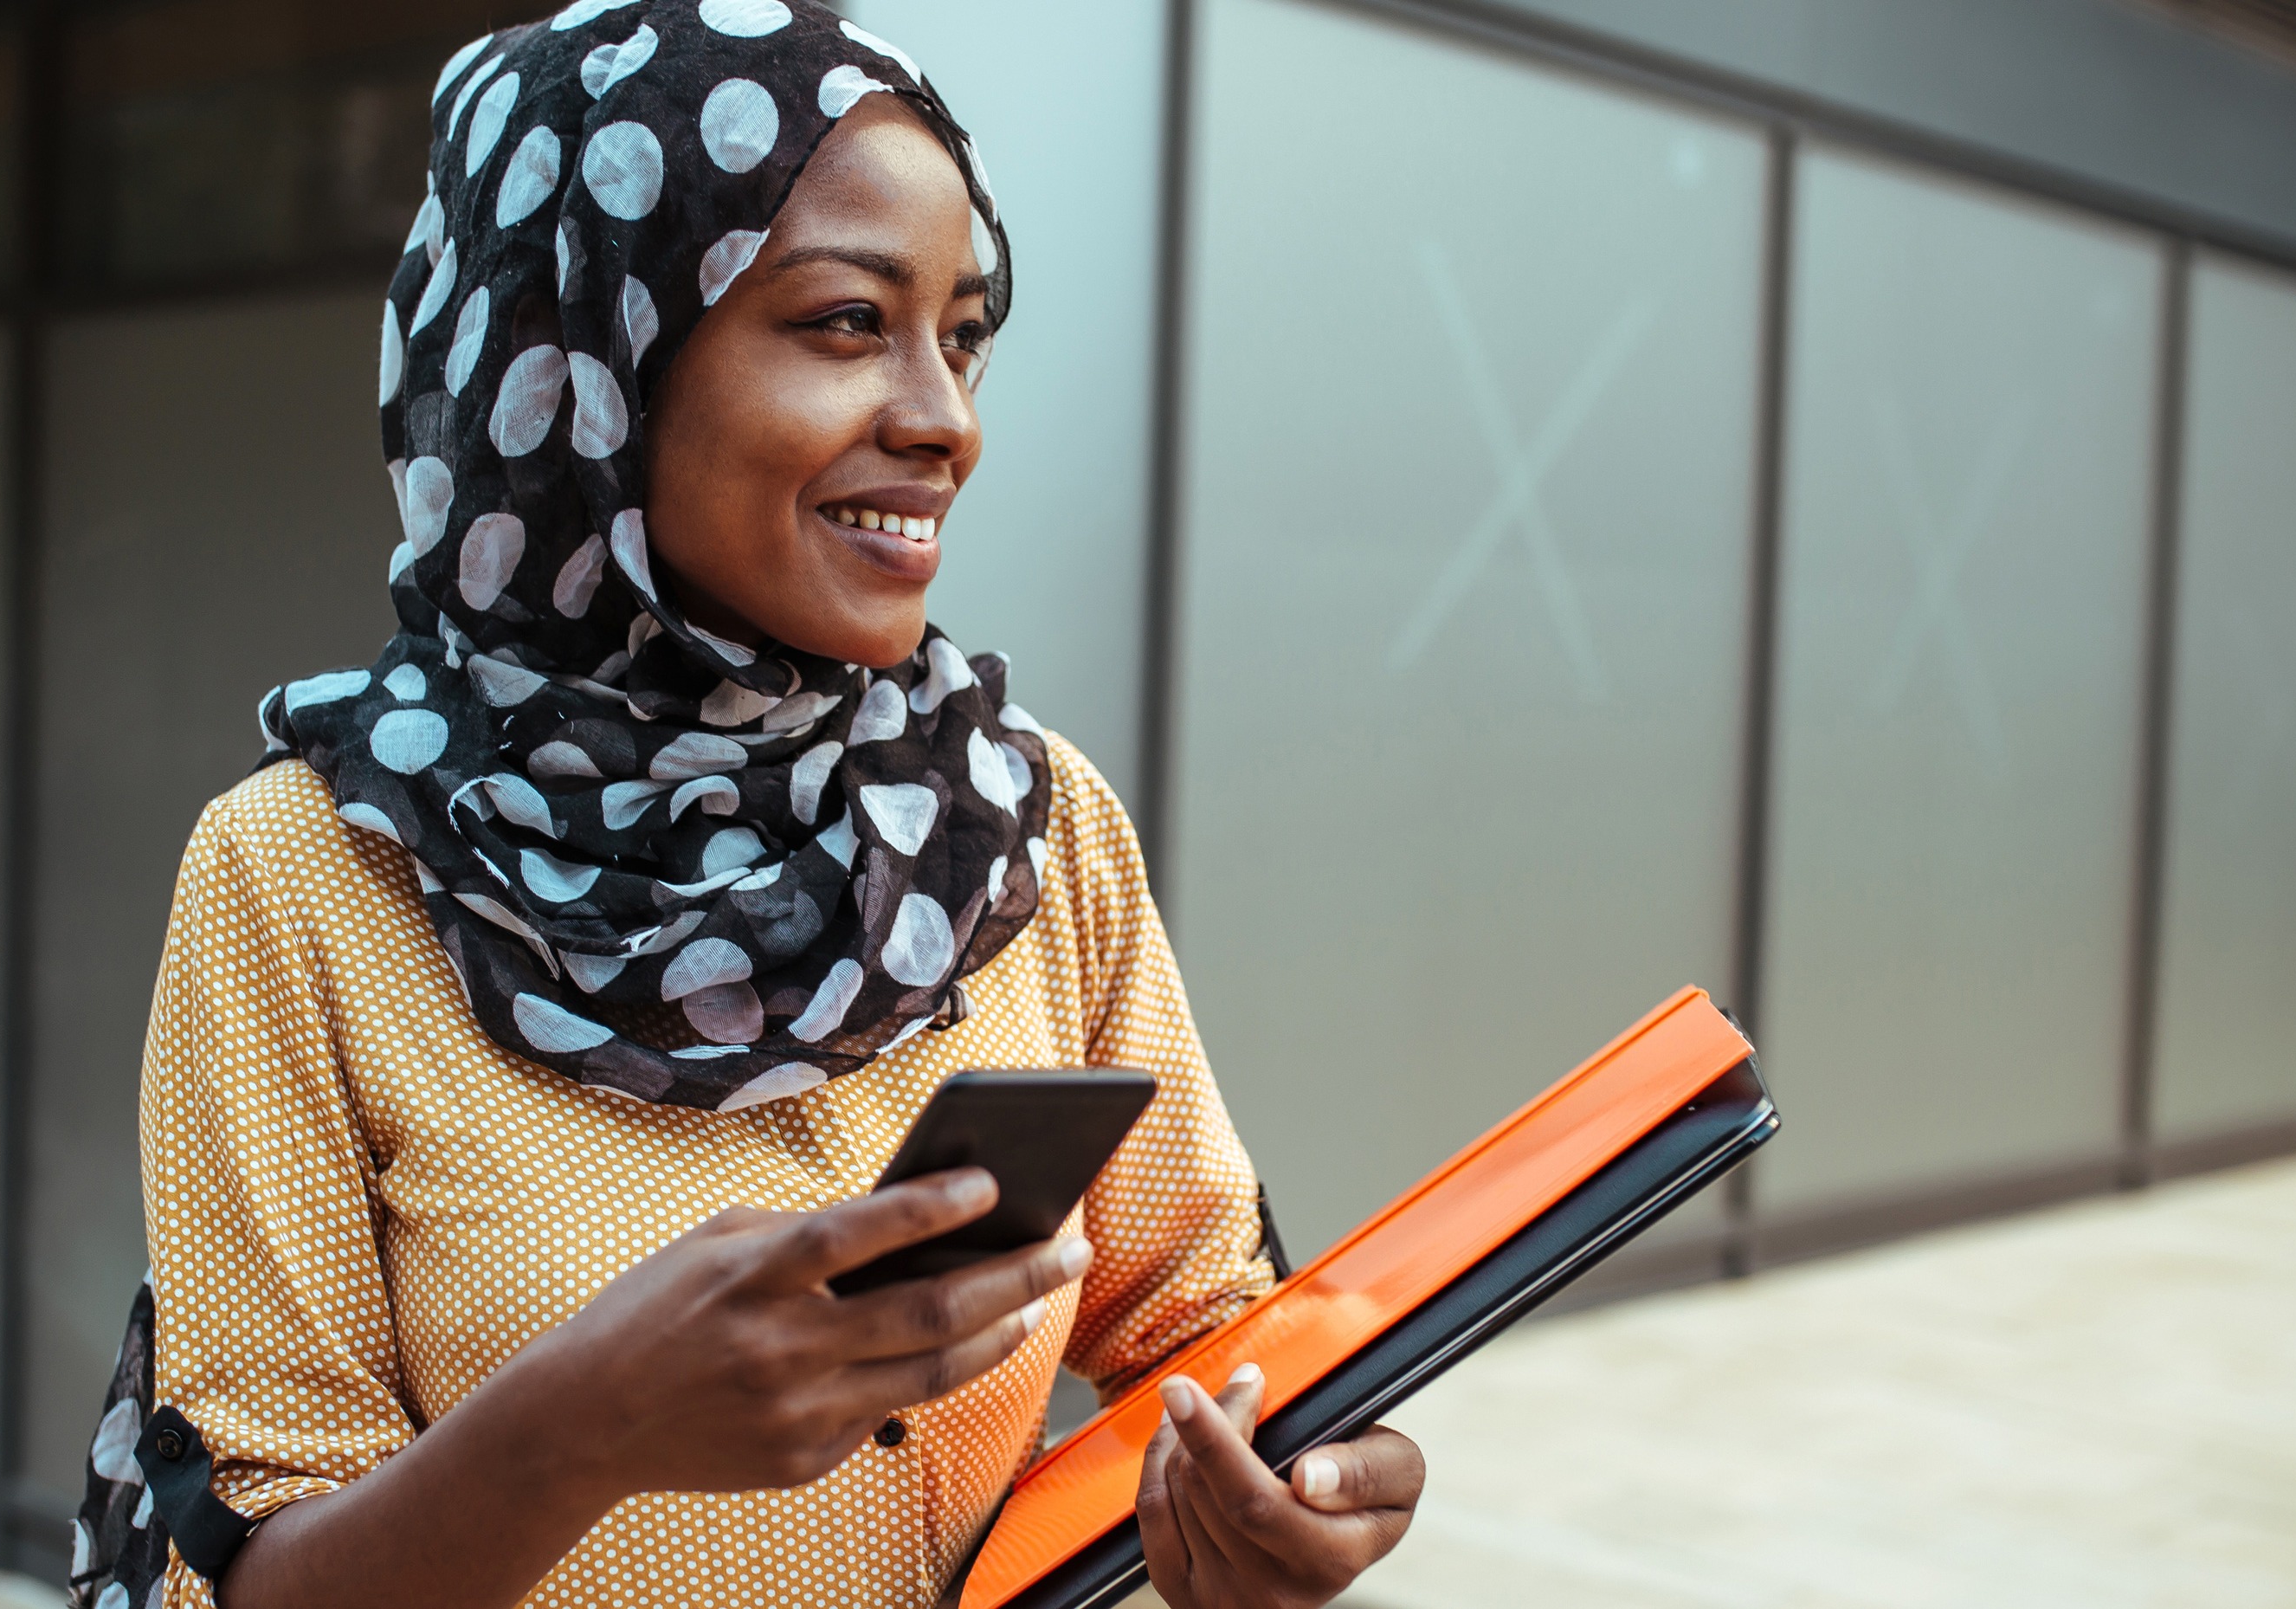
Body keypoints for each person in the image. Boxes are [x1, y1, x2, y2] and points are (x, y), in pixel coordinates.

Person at [73, 5, 1424, 1606]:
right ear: (584, 364)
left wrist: (1304, 1472)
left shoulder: (1019, 822)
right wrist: (580, 1428)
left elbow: (1207, 1319)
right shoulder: (306, 878)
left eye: (966, 335)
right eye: (850, 322)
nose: (947, 420)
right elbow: (244, 1574)